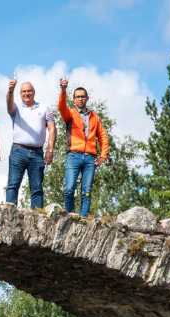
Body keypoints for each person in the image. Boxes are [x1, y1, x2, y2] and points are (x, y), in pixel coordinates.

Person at [57, 78, 109, 217]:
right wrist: (63, 91)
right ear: (74, 99)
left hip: (90, 158)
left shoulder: (95, 117)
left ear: (87, 98)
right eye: (77, 97)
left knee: (86, 191)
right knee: (69, 189)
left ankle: (83, 218)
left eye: (82, 96)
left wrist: (103, 155)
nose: (80, 99)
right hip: (74, 155)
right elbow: (61, 108)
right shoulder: (70, 113)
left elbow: (103, 137)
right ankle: (69, 215)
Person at [5, 79, 56, 209]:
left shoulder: (45, 108)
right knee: (13, 184)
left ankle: (37, 217)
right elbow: (8, 103)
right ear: (20, 94)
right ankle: (9, 215)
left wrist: (50, 150)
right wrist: (10, 90)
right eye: (23, 91)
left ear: (34, 92)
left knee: (37, 187)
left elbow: (52, 129)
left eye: (29, 91)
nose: (26, 93)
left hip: (37, 153)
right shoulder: (16, 108)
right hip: (18, 151)